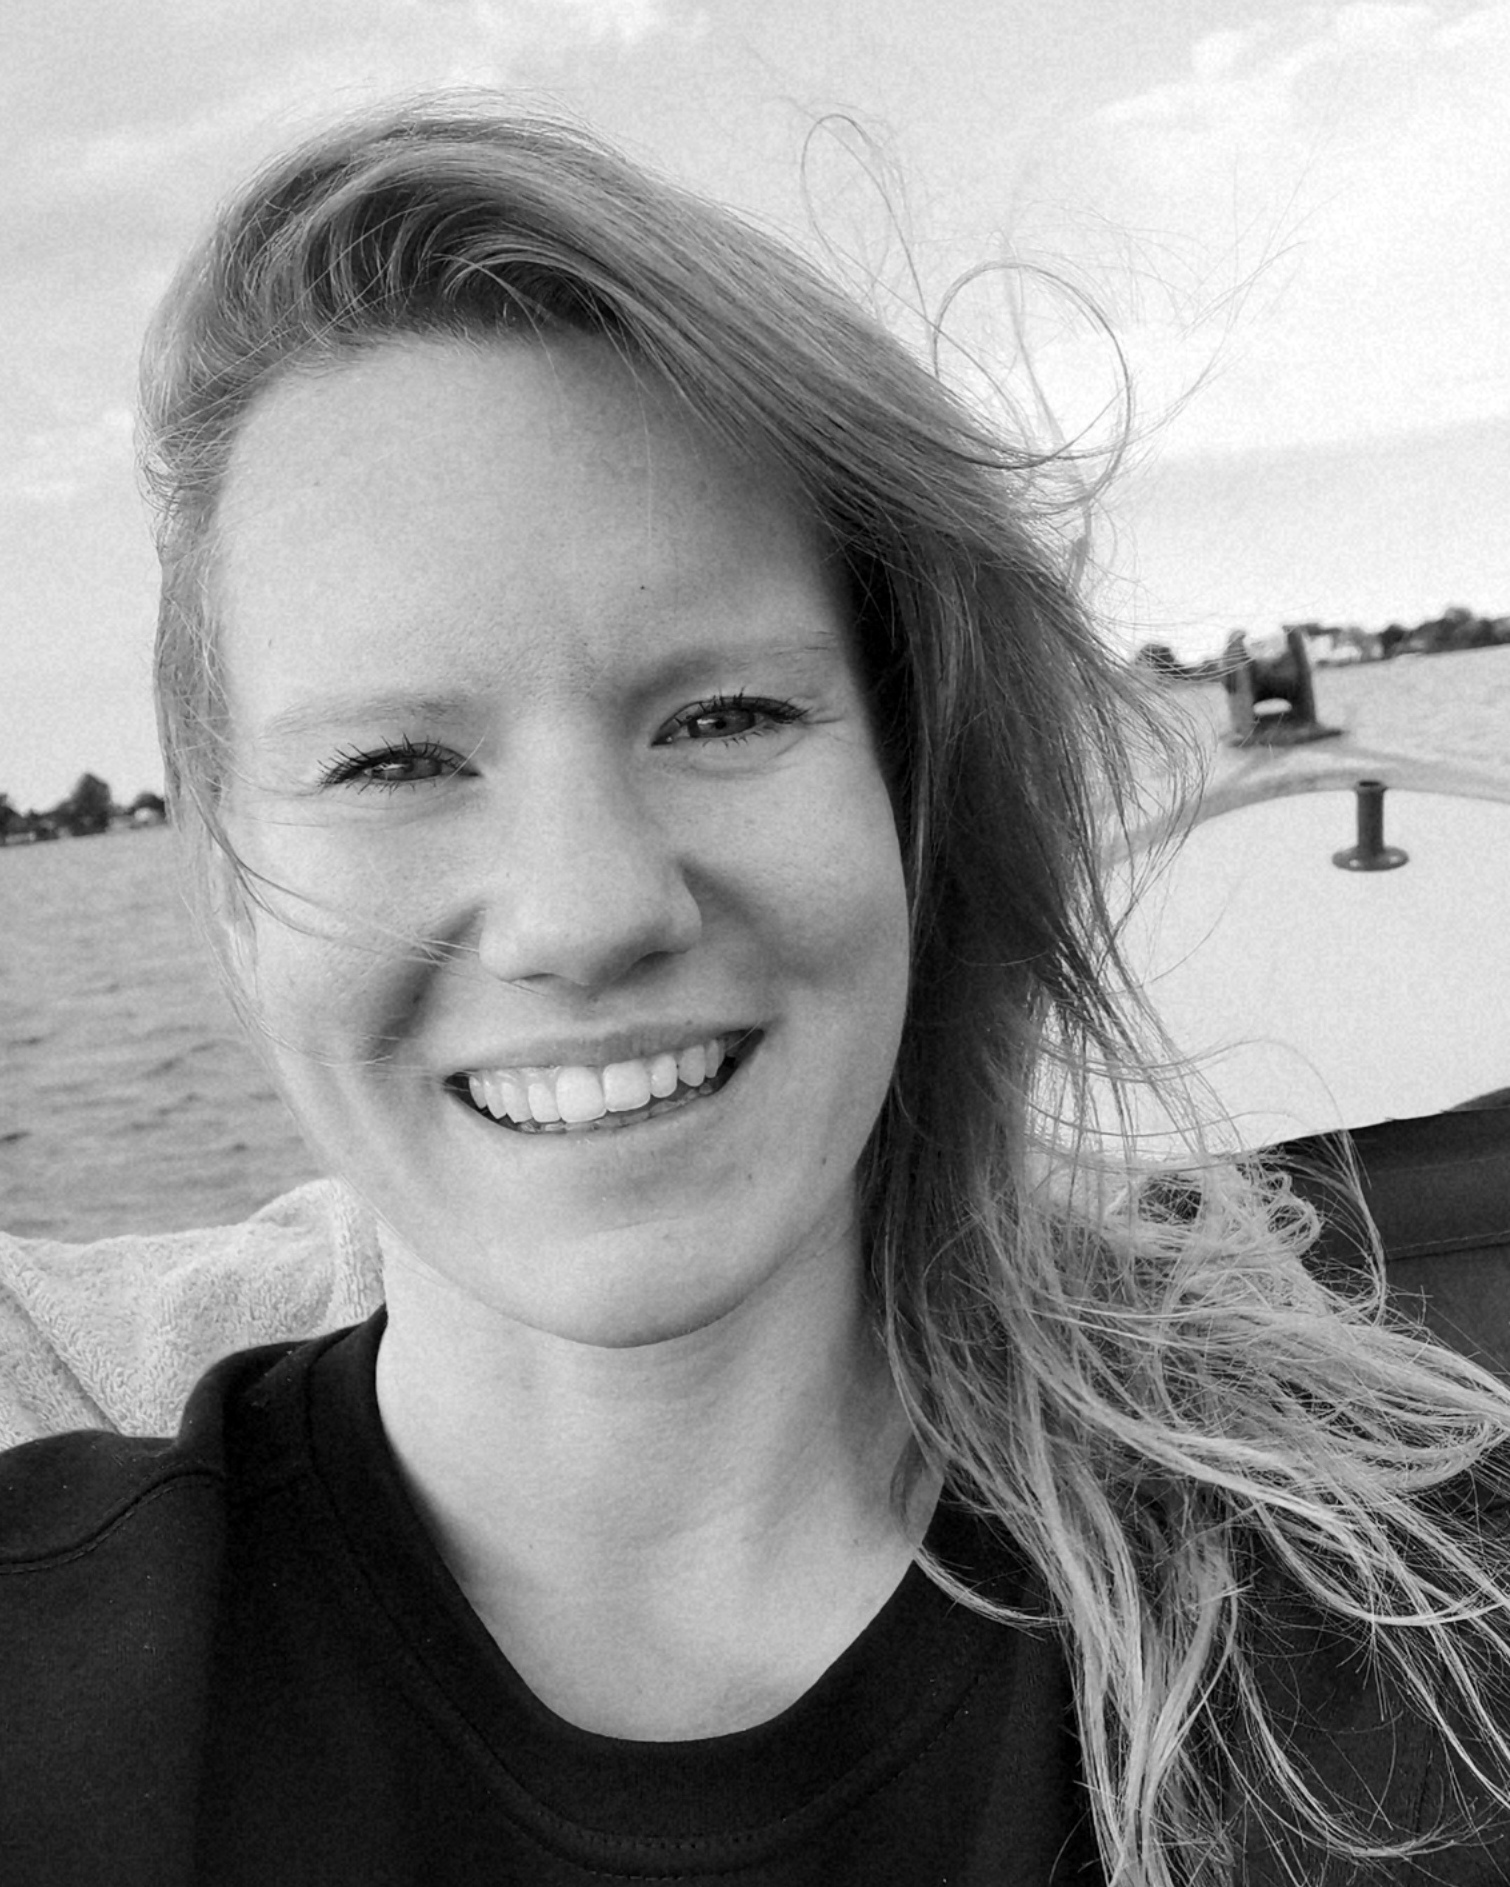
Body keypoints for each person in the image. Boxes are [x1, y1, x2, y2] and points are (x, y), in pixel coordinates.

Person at [3, 95, 1510, 1887]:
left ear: (907, 797)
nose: (586, 911)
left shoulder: (1418, 1639)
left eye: (722, 716)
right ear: (232, 891)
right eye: (395, 762)